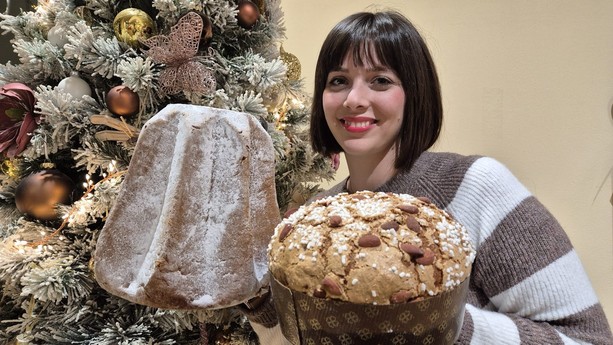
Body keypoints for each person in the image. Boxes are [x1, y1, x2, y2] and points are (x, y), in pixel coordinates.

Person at [242, 10, 613, 344]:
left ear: (414, 94)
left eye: (380, 80)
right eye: (338, 80)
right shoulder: (318, 215)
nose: (353, 98)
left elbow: (588, 339)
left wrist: (448, 325)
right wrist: (261, 303)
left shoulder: (476, 187)